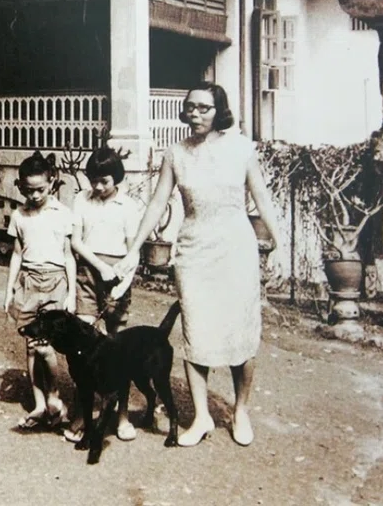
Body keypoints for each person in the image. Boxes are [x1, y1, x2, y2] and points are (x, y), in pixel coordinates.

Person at [114, 81, 281, 448]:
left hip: (235, 249)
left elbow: (262, 198)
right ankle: (201, 417)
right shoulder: (176, 153)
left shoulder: (241, 148)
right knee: (196, 332)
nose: (195, 113)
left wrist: (278, 240)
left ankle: (241, 410)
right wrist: (133, 249)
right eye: (190, 107)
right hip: (193, 252)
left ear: (219, 110)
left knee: (240, 332)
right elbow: (157, 203)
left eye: (204, 107)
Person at [63, 146, 142, 443]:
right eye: (93, 180)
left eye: (104, 181)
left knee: (117, 350)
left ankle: (121, 416)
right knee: (82, 348)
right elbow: (76, 242)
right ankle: (83, 413)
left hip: (118, 277)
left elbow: (134, 251)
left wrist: (121, 283)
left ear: (116, 178)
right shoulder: (81, 200)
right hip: (88, 274)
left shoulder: (129, 206)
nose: (97, 187)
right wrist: (98, 268)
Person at [4, 151, 75, 432]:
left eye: (41, 190)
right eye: (29, 190)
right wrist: (9, 290)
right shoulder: (19, 214)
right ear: (21, 187)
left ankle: (55, 395)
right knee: (32, 346)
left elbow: (69, 255)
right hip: (29, 282)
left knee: (48, 347)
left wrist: (70, 294)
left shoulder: (63, 214)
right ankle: (38, 403)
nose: (34, 195)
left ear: (52, 182)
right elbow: (17, 254)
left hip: (56, 281)